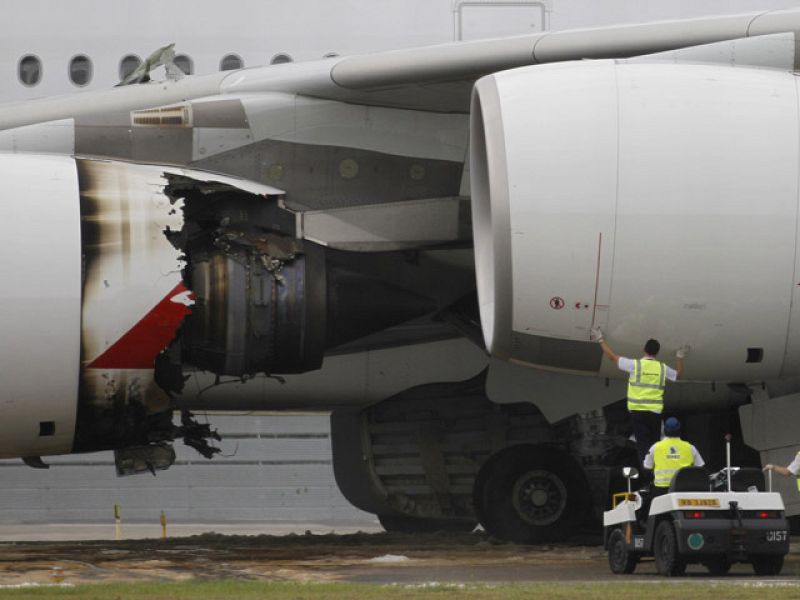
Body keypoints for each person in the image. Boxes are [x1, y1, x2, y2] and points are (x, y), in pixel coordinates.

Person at [591, 326, 689, 470]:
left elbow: (612, 357)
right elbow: (678, 375)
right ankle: (657, 469)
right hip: (654, 413)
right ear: (657, 353)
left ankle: (647, 471)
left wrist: (600, 339)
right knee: (654, 444)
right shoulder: (662, 368)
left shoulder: (635, 365)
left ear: (644, 350)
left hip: (638, 413)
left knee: (642, 445)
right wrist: (679, 356)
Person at [643, 417, 704, 491]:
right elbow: (700, 467)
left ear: (664, 430)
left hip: (661, 489)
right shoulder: (690, 447)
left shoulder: (655, 447)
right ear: (680, 430)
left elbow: (647, 467)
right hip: (683, 488)